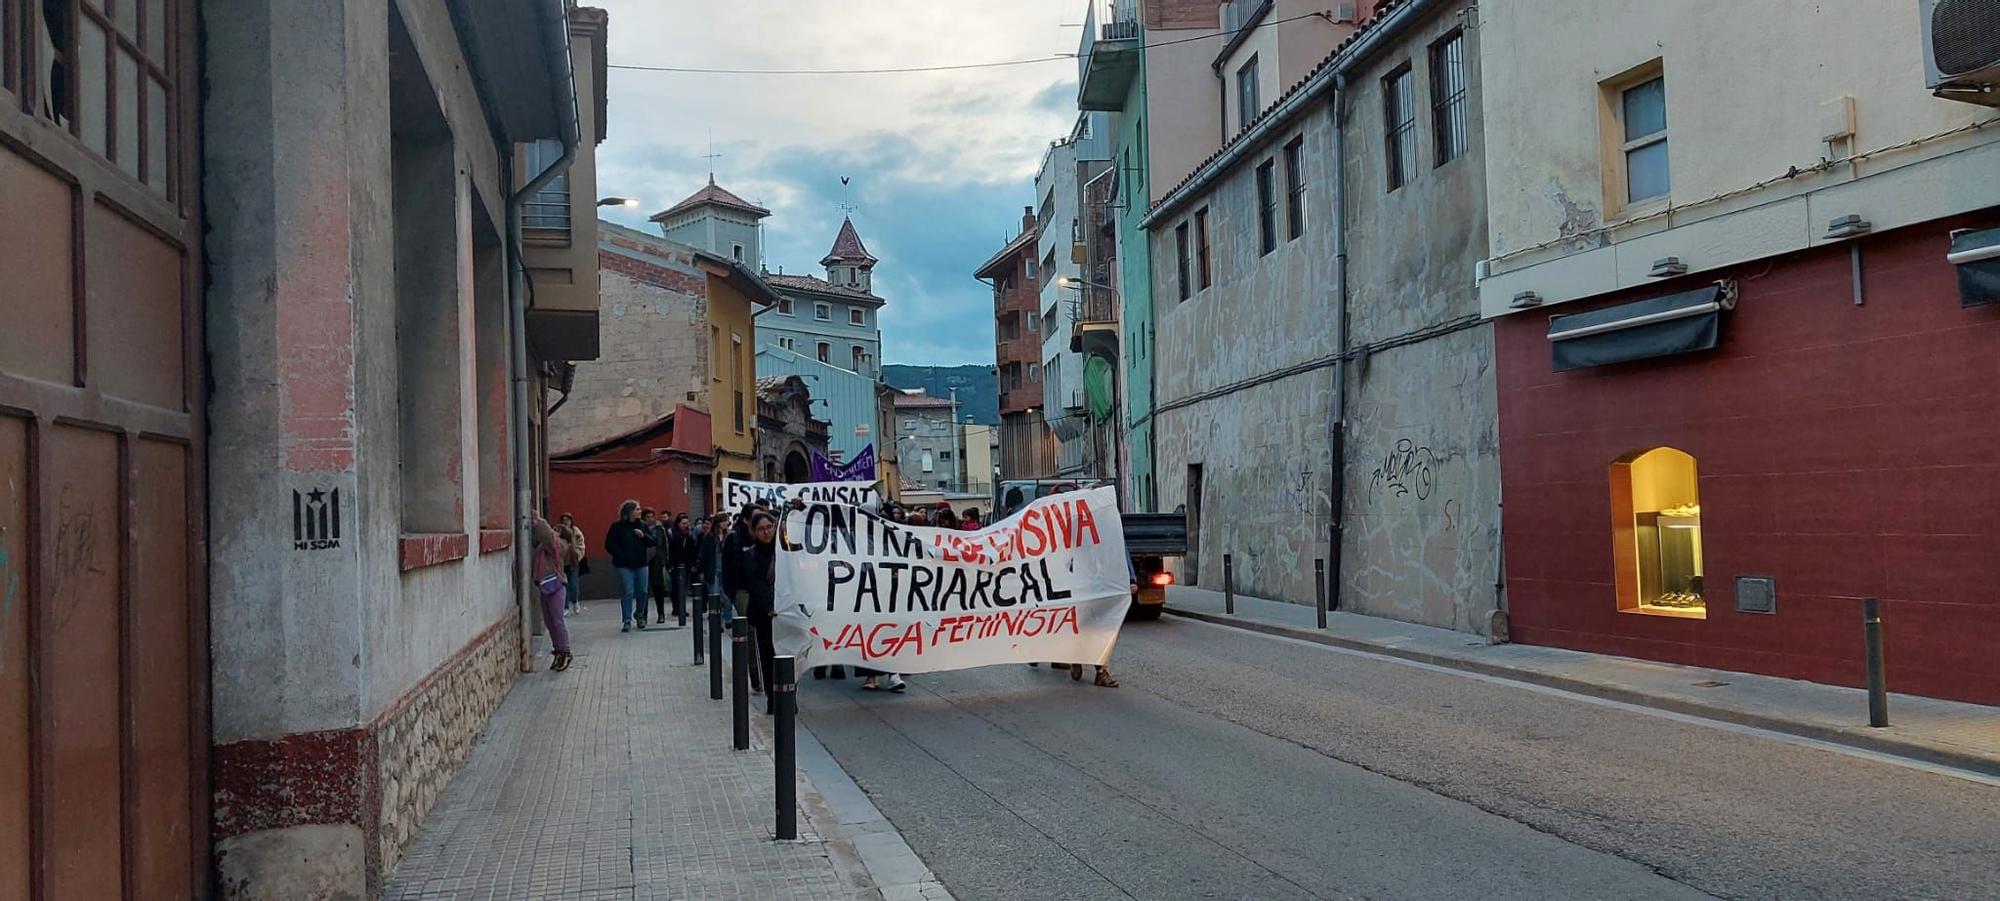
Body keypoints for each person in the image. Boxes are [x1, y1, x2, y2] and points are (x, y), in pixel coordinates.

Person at [734, 509, 783, 712]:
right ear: (754, 532)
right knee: (767, 655)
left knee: (789, 656)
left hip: (785, 613)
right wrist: (769, 606)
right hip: (764, 614)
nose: (766, 532)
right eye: (761, 529)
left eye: (769, 527)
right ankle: (773, 699)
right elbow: (755, 584)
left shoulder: (785, 551)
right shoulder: (750, 556)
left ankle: (789, 697)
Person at [604, 500, 656, 632]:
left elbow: (652, 542)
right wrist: (621, 555)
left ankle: (639, 614)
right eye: (637, 509)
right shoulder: (617, 526)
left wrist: (643, 536)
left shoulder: (642, 525)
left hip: (641, 563)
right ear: (630, 512)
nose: (640, 511)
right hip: (624, 564)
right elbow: (609, 545)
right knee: (628, 591)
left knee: (643, 591)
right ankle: (627, 619)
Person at [530, 512, 573, 671]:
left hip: (556, 586)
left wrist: (536, 518)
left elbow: (546, 534)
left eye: (557, 529)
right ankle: (558, 651)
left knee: (557, 620)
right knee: (549, 621)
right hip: (545, 585)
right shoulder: (546, 547)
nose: (554, 530)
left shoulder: (559, 545)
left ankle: (565, 651)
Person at [666, 512, 695, 625]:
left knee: (684, 587)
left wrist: (693, 564)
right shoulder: (672, 534)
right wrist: (669, 564)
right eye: (683, 523)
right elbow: (669, 550)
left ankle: (681, 608)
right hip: (675, 564)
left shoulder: (690, 534)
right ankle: (676, 607)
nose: (686, 525)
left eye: (687, 523)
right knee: (675, 587)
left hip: (686, 564)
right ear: (678, 524)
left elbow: (693, 549)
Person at [556, 513, 587, 614]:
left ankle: (575, 602)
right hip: (561, 563)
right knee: (564, 585)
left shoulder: (576, 532)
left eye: (567, 520)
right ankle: (565, 607)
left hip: (573, 562)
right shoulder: (558, 532)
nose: (566, 522)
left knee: (573, 585)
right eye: (564, 520)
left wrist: (578, 555)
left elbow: (581, 545)